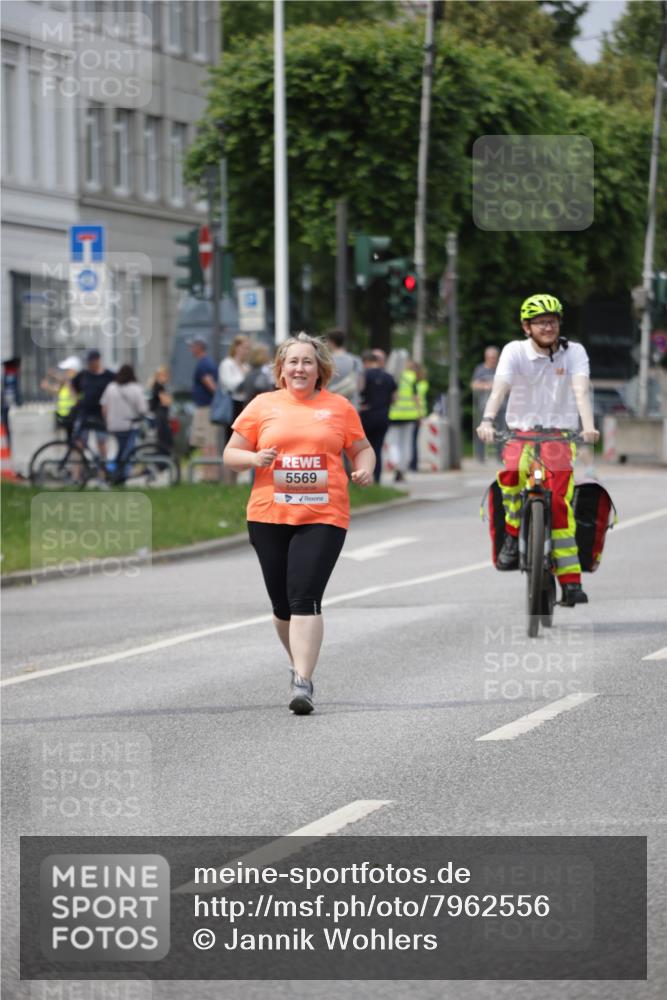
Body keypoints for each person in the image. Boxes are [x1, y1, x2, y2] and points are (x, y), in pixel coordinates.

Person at [223, 332, 375, 715]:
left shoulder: (338, 407)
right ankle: (298, 662)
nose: (300, 368)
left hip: (324, 515)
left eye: (307, 361)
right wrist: (255, 459)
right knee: (281, 606)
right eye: (293, 362)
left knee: (305, 597)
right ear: (281, 369)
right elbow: (230, 454)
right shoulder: (262, 405)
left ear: (319, 369)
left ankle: (303, 681)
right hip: (268, 514)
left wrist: (364, 469)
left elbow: (362, 448)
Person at [476, 293, 600, 607]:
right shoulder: (514, 351)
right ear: (526, 327)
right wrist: (488, 420)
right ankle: (512, 533)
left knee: (559, 504)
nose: (548, 326)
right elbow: (500, 388)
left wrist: (588, 425)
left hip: (559, 436)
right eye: (541, 322)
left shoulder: (574, 353)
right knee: (512, 474)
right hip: (520, 433)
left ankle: (571, 583)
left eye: (553, 320)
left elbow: (580, 391)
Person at [100, 364, 148, 484]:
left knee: (119, 450)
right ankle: (122, 475)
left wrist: (108, 420)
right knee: (127, 452)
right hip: (130, 426)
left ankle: (114, 474)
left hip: (114, 426)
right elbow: (143, 409)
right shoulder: (136, 388)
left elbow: (104, 408)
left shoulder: (111, 387)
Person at [359, 349, 396, 483]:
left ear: (367, 362)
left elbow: (359, 391)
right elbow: (394, 398)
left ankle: (365, 478)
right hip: (383, 416)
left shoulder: (364, 375)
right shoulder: (389, 377)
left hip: (366, 416)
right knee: (378, 449)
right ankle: (378, 479)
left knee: (364, 449)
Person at [71, 350, 115, 459]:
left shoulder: (108, 375)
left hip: (100, 413)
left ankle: (103, 470)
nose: (90, 364)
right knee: (79, 442)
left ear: (98, 361)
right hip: (84, 412)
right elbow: (72, 384)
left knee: (102, 441)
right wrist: (76, 398)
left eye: (92, 361)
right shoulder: (83, 374)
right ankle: (77, 472)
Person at [188, 336, 219, 481]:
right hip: (208, 407)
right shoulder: (208, 362)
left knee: (207, 441)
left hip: (205, 408)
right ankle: (210, 473)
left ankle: (209, 475)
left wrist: (217, 397)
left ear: (199, 347)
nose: (191, 349)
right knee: (208, 441)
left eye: (193, 346)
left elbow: (210, 384)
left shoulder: (203, 364)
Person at [387, 352, 420, 482]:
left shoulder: (391, 377)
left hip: (393, 415)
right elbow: (416, 397)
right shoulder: (411, 376)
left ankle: (395, 464)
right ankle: (403, 467)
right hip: (410, 415)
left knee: (393, 443)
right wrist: (419, 414)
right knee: (406, 443)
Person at [470, 346, 502, 462]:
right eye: (490, 357)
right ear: (486, 357)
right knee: (482, 431)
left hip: (501, 406)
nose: (492, 359)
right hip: (483, 406)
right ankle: (480, 457)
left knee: (500, 431)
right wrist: (487, 386)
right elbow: (474, 384)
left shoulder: (501, 368)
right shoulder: (480, 369)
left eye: (494, 357)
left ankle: (500, 456)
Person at [40, 356, 81, 440]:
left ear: (73, 371)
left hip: (75, 416)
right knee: (69, 441)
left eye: (67, 370)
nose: (65, 372)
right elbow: (57, 390)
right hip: (66, 416)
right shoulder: (66, 382)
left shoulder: (77, 382)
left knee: (77, 442)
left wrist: (63, 380)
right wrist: (47, 386)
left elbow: (76, 397)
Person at [324, 329, 362, 409]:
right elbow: (360, 385)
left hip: (331, 404)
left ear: (331, 342)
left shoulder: (326, 361)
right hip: (351, 405)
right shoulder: (356, 360)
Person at [149, 365, 174, 453]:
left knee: (164, 439)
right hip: (161, 416)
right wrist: (168, 398)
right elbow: (166, 402)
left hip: (161, 415)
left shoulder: (160, 387)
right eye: (166, 375)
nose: (167, 378)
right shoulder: (159, 387)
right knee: (163, 440)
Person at [410, 363, 429, 472]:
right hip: (418, 413)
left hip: (414, 413)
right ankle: (414, 463)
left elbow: (416, 399)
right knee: (414, 440)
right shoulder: (423, 383)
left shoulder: (416, 384)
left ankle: (413, 464)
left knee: (412, 441)